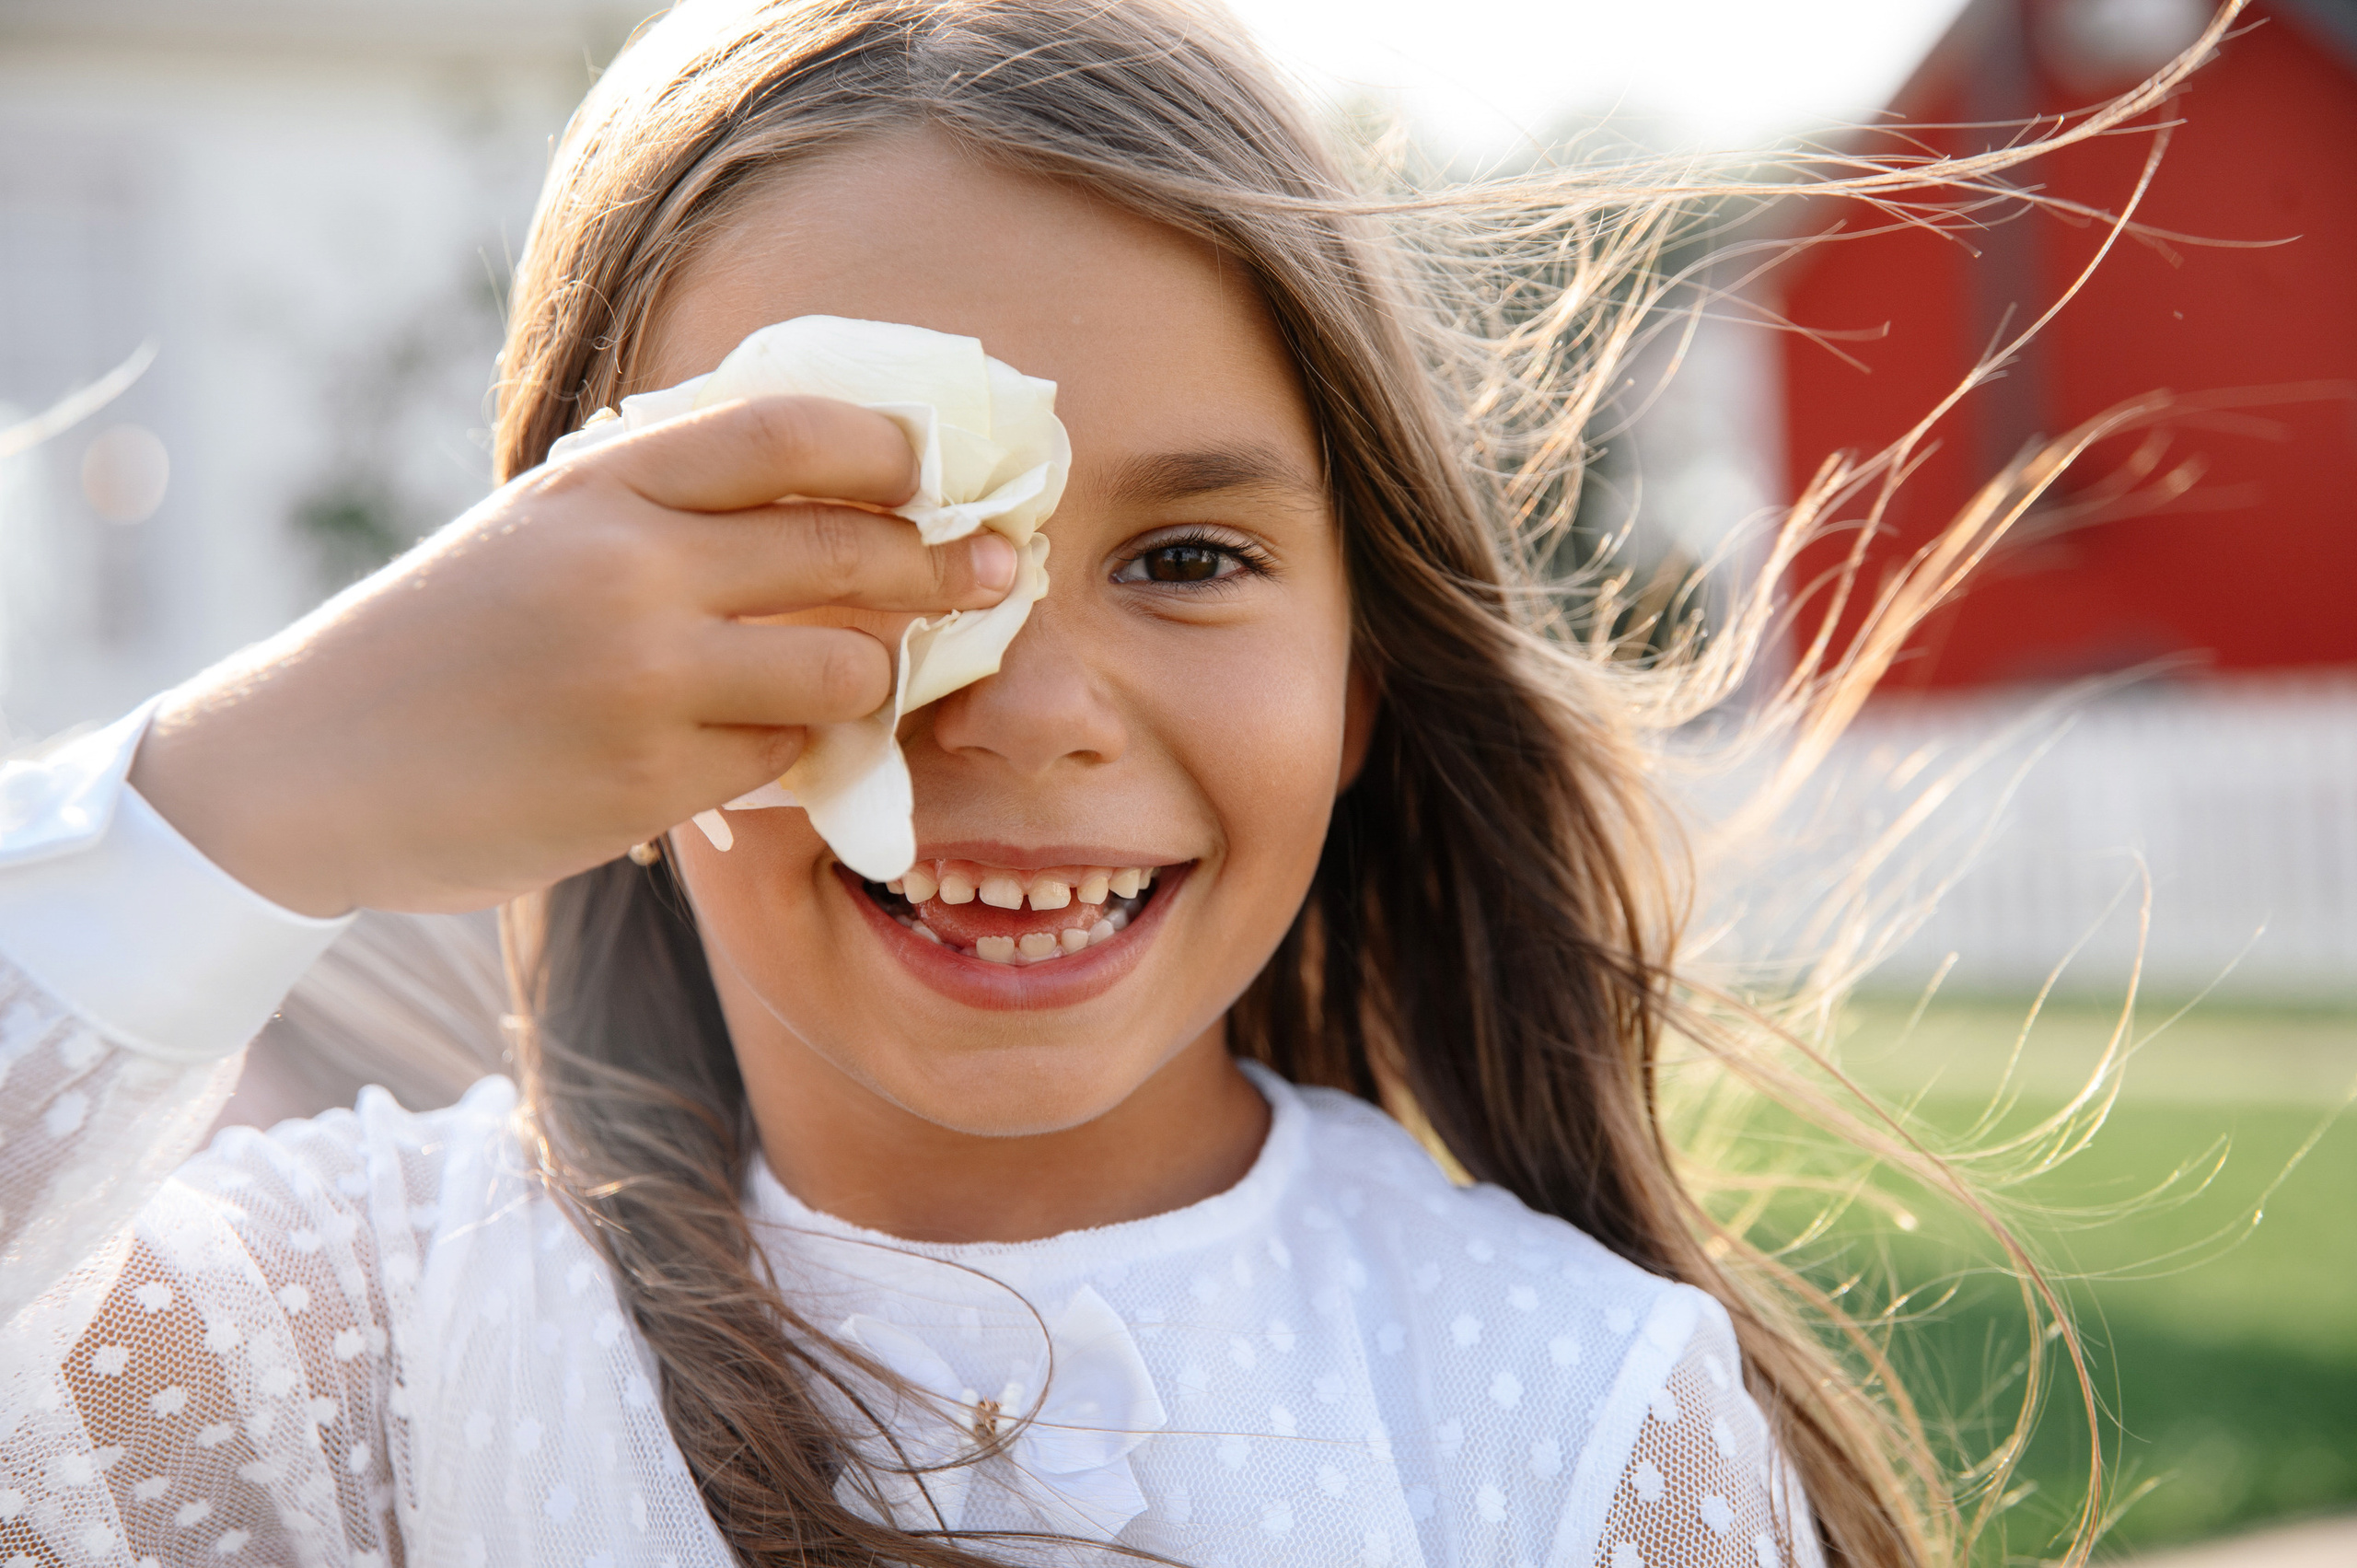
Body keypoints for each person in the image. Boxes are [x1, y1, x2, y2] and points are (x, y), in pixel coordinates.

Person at [0, 0, 2218, 1563]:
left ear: (1365, 672)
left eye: (1183, 557)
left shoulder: (1564, 1414)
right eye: (828, 563)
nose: (1024, 712)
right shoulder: (345, 1345)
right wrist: (243, 791)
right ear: (567, 654)